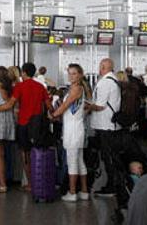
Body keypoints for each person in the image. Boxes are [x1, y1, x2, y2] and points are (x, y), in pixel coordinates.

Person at [0, 62, 49, 191]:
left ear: (24, 73)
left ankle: (30, 183)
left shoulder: (19, 87)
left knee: (25, 155)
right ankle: (39, 182)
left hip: (24, 124)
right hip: (38, 125)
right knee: (37, 152)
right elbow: (49, 105)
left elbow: (10, 105)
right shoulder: (41, 87)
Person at [52, 63, 92, 202]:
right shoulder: (76, 89)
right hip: (75, 128)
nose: (71, 76)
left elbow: (65, 105)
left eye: (74, 73)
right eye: (69, 73)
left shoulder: (76, 89)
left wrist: (53, 116)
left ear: (80, 75)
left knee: (72, 161)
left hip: (73, 130)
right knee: (80, 161)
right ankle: (84, 191)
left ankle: (73, 192)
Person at [85, 58, 124, 200]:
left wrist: (87, 106)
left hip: (105, 125)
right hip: (109, 125)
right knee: (109, 156)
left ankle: (112, 186)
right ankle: (112, 184)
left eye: (101, 66)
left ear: (104, 67)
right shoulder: (113, 80)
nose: (99, 68)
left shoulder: (105, 82)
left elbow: (100, 105)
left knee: (109, 157)